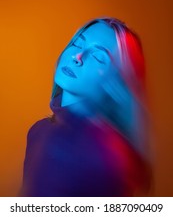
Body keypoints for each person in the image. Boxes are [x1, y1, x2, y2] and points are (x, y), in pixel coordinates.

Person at [18, 16, 153, 197]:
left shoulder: (103, 155)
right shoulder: (38, 131)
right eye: (77, 44)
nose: (77, 57)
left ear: (117, 81)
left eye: (98, 57)